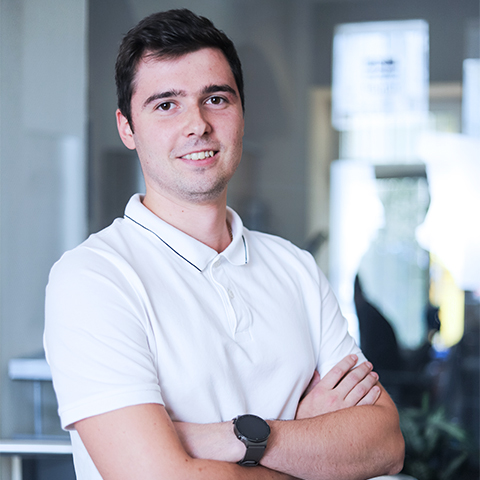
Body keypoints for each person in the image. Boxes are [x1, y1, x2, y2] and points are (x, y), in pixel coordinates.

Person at [44, 9, 404, 480]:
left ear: (241, 115)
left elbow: (385, 444)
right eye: (166, 105)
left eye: (215, 99)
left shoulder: (295, 269)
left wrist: (228, 438)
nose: (197, 124)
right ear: (127, 127)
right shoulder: (93, 278)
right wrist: (307, 446)